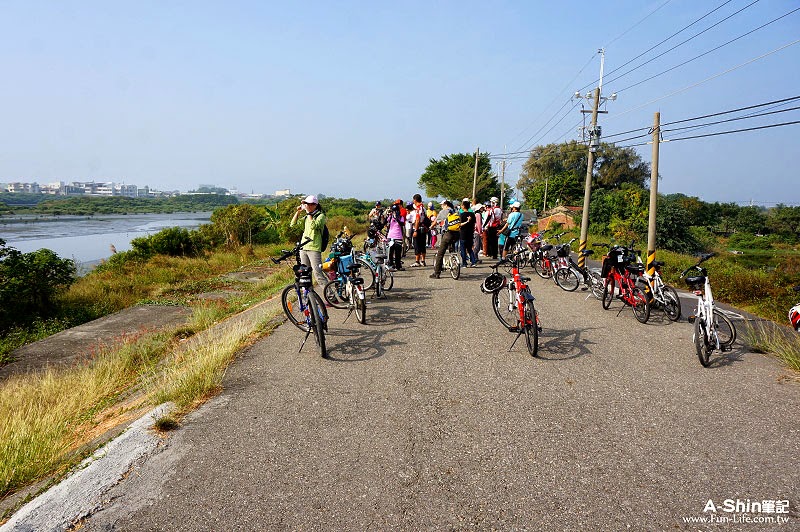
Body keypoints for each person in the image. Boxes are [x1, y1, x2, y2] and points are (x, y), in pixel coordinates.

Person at [289, 195, 329, 286]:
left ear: (315, 205)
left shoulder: (320, 216)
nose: (307, 206)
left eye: (309, 204)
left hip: (314, 248)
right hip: (303, 248)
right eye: (306, 204)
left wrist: (308, 213)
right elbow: (293, 224)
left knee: (317, 273)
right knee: (305, 274)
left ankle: (330, 296)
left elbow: (314, 226)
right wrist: (298, 212)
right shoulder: (307, 217)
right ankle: (309, 297)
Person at [430, 200, 460, 279]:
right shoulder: (456, 211)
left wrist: (431, 227)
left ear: (445, 205)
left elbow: (436, 221)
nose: (441, 206)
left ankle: (437, 273)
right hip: (457, 234)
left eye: (442, 205)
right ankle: (453, 260)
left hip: (448, 234)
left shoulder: (443, 212)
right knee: (452, 249)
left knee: (440, 254)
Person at [386, 199, 405, 270]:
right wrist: (388, 215)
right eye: (394, 211)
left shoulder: (401, 217)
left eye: (396, 211)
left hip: (398, 236)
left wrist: (397, 218)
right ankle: (391, 265)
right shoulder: (390, 217)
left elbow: (402, 224)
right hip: (390, 236)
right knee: (390, 252)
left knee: (398, 252)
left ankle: (398, 266)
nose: (395, 212)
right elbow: (385, 222)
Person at [459, 199, 478, 267]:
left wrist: (467, 221)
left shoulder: (462, 215)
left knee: (463, 249)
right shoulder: (472, 214)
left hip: (463, 233)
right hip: (470, 233)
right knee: (470, 248)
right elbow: (474, 223)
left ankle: (464, 263)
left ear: (464, 206)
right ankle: (473, 262)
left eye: (462, 205)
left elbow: (460, 224)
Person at [410, 194, 427, 267]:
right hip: (423, 229)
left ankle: (417, 261)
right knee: (423, 245)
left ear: (415, 200)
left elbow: (417, 220)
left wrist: (415, 230)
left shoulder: (418, 209)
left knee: (417, 245)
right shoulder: (423, 208)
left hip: (418, 228)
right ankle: (423, 260)